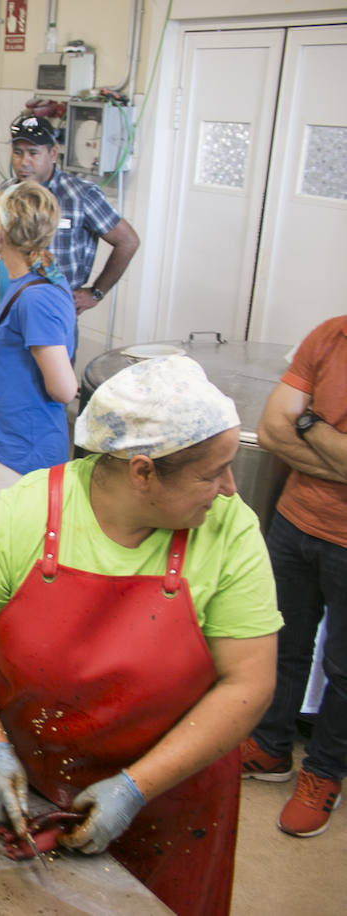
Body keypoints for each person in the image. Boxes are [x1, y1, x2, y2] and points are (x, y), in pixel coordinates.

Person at [0, 355, 280, 916]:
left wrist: (136, 787)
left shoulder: (228, 530)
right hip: (31, 782)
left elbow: (249, 682)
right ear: (142, 472)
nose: (230, 489)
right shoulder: (25, 514)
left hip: (173, 798)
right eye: (212, 473)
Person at [240, 314, 347, 838]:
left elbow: (293, 422)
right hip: (294, 522)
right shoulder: (331, 335)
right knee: (281, 642)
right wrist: (315, 430)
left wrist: (308, 424)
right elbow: (272, 427)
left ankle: (324, 774)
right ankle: (270, 745)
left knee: (344, 671)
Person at [0, 181, 78, 513]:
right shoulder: (28, 284)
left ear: (1, 233)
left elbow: (64, 389)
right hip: (8, 444)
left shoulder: (37, 298)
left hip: (23, 455)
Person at [5, 115, 140, 316]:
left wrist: (96, 293)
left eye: (33, 153)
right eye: (18, 153)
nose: (24, 162)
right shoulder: (7, 192)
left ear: (52, 153)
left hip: (55, 307)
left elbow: (128, 241)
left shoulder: (80, 195)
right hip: (13, 302)